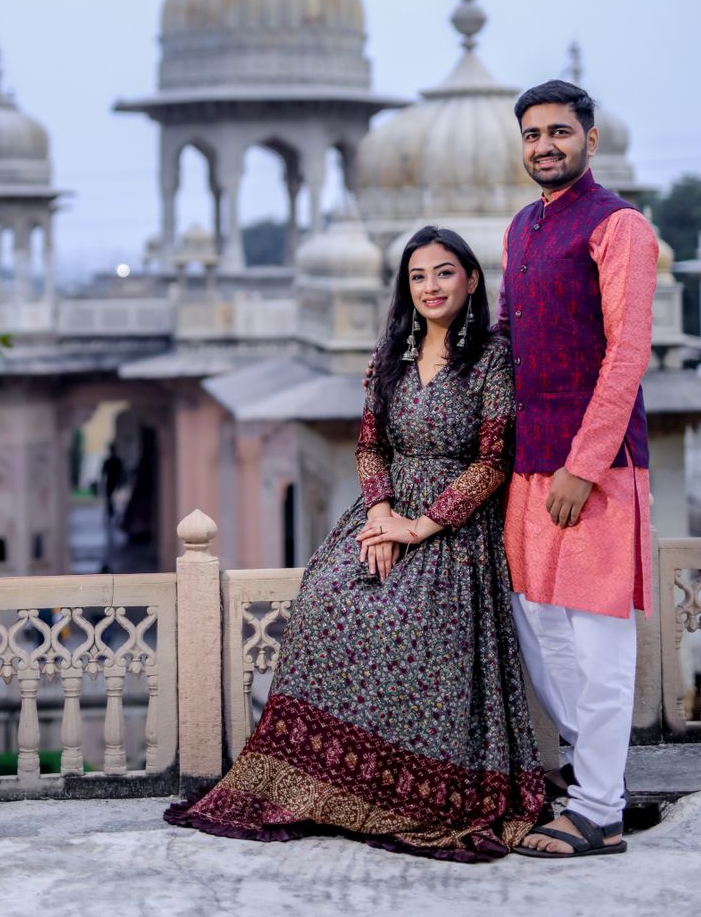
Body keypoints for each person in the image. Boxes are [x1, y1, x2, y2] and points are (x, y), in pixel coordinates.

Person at [165, 226, 544, 861]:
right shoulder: (390, 356)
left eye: (445, 273)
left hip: (456, 527)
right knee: (329, 602)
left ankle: (412, 791)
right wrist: (383, 514)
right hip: (385, 510)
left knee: (410, 626)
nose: (431, 287)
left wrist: (419, 527)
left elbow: (493, 461)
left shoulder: (491, 361)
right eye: (418, 276)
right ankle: (328, 782)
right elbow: (370, 446)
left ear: (472, 281)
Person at [500, 80, 658, 859]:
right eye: (532, 135)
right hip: (529, 467)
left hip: (593, 472)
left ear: (590, 140)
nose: (544, 146)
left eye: (559, 132)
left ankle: (601, 810)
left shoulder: (619, 225)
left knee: (598, 644)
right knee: (543, 632)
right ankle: (584, 778)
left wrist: (583, 467)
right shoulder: (523, 229)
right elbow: (506, 339)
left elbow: (627, 354)